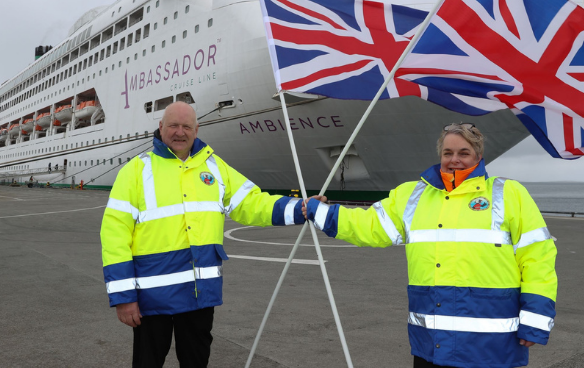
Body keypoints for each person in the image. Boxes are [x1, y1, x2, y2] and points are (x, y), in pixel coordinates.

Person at [304, 123, 557, 368]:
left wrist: (535, 320)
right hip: (432, 344)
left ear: (478, 156)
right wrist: (321, 212)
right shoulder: (412, 195)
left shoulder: (509, 194)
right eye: (448, 153)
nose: (454, 159)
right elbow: (368, 224)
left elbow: (538, 257)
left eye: (463, 152)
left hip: (491, 345)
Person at [100, 102, 305, 367]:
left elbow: (253, 203)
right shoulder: (136, 171)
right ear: (161, 127)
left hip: (199, 295)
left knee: (196, 361)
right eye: (173, 125)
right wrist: (124, 297)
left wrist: (299, 209)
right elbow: (115, 235)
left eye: (186, 126)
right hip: (151, 298)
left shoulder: (215, 168)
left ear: (197, 129)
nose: (180, 132)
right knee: (147, 362)